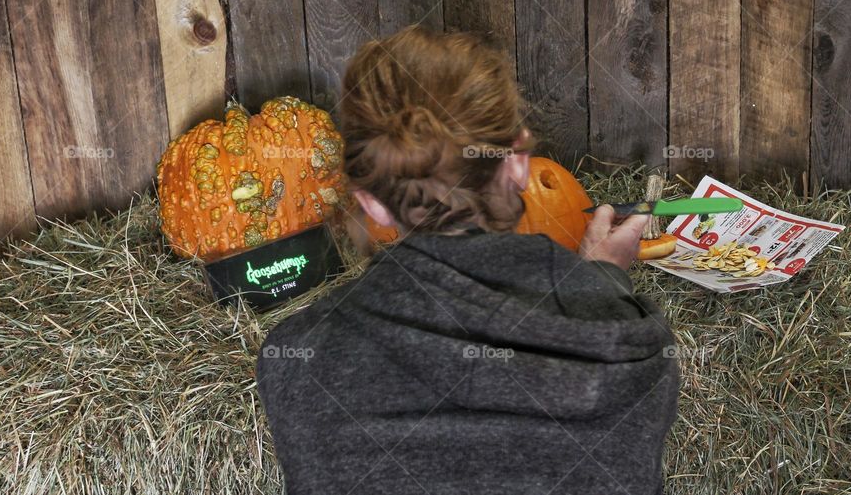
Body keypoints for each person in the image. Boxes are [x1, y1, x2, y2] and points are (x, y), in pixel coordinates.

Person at [257, 25, 679, 494]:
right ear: (518, 160)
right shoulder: (635, 345)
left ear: (370, 201)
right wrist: (599, 282)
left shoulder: (296, 358)